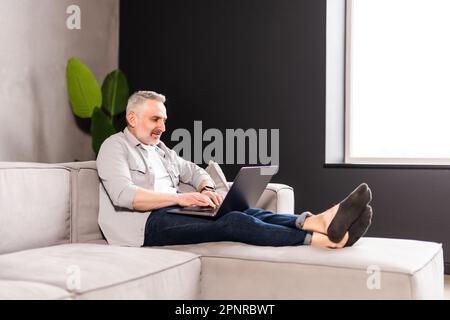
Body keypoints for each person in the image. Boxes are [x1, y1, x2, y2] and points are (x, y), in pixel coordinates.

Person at [96, 91, 373, 249]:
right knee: (234, 223)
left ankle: (318, 221)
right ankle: (321, 241)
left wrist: (205, 188)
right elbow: (124, 195)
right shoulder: (114, 147)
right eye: (156, 118)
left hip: (170, 213)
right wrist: (180, 198)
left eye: (164, 120)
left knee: (243, 212)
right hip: (144, 227)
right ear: (132, 118)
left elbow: (192, 171)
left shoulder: (160, 149)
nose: (163, 127)